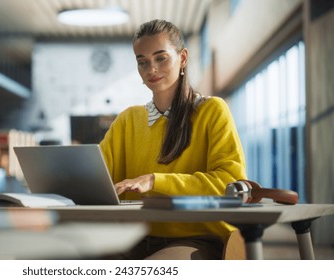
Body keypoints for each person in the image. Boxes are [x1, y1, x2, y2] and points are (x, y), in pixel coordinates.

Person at [99, 19, 247, 260]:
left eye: (161, 58)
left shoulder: (212, 110)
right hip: (133, 237)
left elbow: (229, 183)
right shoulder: (127, 120)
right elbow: (98, 179)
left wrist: (155, 181)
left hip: (199, 238)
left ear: (183, 59)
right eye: (142, 62)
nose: (151, 69)